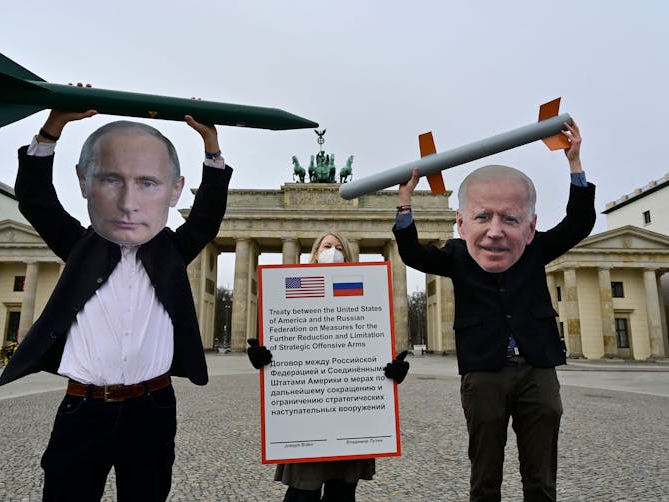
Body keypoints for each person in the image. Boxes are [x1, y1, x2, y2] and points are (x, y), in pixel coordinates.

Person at [0, 104, 232, 501]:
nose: (128, 203)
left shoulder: (172, 253)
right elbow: (37, 201)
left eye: (147, 184)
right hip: (82, 405)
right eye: (110, 180)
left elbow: (207, 217)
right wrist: (53, 128)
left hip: (152, 406)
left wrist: (211, 147)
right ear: (85, 184)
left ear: (174, 191)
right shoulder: (80, 247)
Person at [393, 121, 595, 501]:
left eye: (510, 219)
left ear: (530, 227)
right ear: (461, 223)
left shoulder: (535, 249)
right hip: (484, 368)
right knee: (485, 472)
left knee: (541, 475)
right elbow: (413, 253)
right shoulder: (455, 255)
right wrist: (406, 205)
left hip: (537, 366)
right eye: (483, 217)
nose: (496, 232)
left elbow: (579, 223)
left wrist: (575, 162)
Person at [247, 230, 410, 502]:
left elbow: (372, 342)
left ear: (349, 254)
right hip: (307, 415)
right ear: (314, 253)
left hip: (349, 415)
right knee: (302, 492)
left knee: (343, 494)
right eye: (326, 246)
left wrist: (392, 371)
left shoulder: (368, 292)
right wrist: (262, 356)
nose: (332, 251)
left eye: (339, 247)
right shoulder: (291, 286)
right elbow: (283, 337)